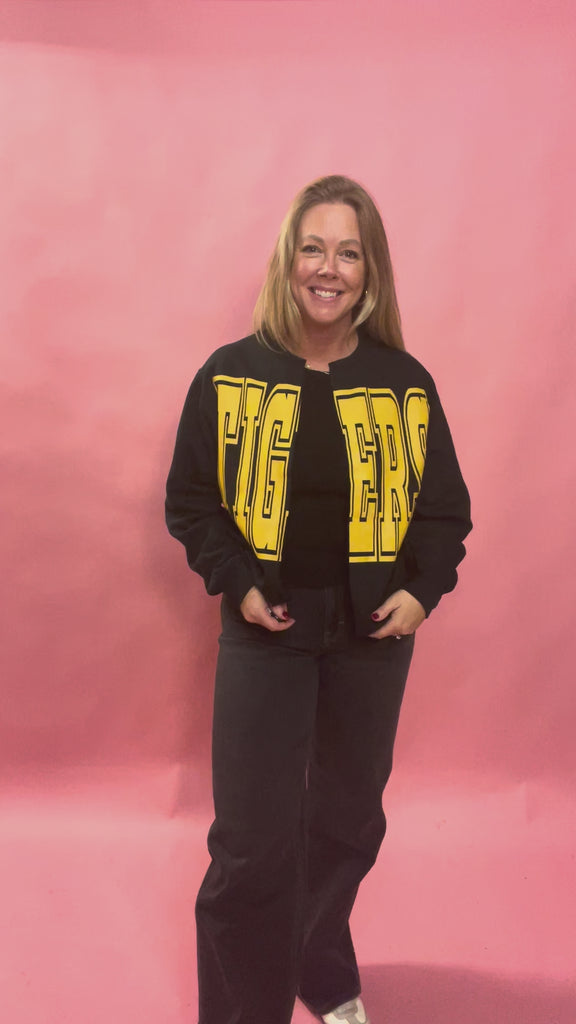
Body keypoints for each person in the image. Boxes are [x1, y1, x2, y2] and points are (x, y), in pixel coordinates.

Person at [165, 174, 472, 1024]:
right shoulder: (229, 375)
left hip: (372, 635)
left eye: (348, 252)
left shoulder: (405, 383)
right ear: (288, 261)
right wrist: (237, 582)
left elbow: (445, 510)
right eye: (313, 248)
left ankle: (315, 958)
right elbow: (190, 502)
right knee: (250, 846)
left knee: (346, 827)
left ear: (370, 272)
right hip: (266, 630)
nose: (328, 268)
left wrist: (420, 592)